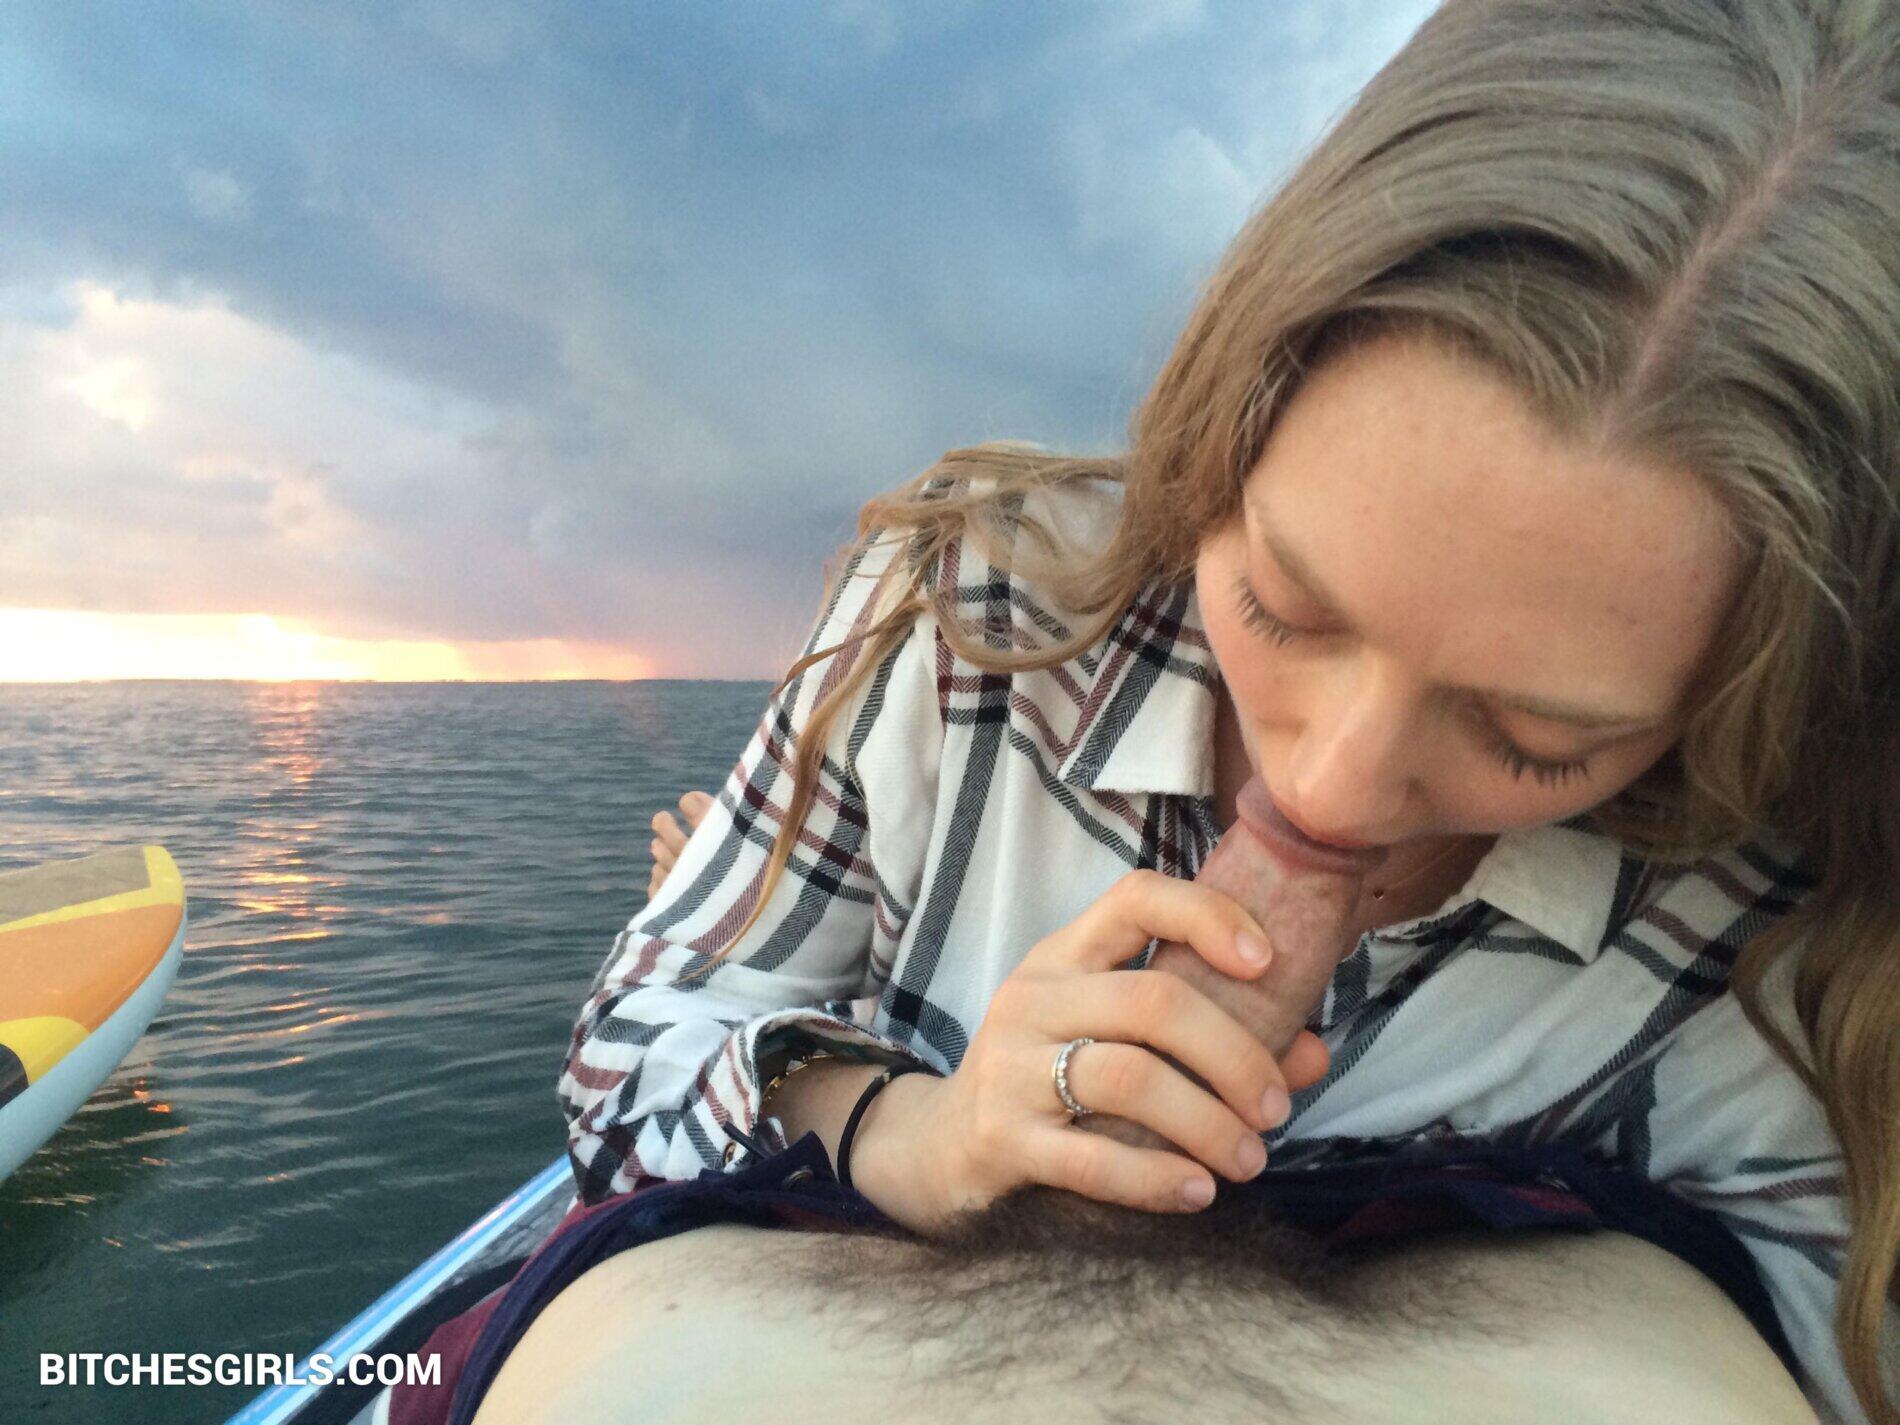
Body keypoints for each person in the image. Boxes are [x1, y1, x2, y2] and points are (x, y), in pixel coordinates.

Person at [391, 2, 1900, 1423]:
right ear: (1221, 433)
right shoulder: (966, 620)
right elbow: (632, 1046)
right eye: (1285, 607)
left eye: (1536, 738)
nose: (1335, 783)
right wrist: (908, 1128)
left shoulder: (1770, 910)